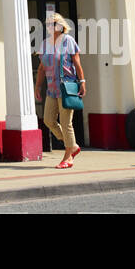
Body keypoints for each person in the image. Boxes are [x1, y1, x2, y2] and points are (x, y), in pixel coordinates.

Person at [34, 12, 85, 168]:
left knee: (66, 122)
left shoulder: (68, 41)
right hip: (51, 89)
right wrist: (37, 86)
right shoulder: (45, 44)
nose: (50, 26)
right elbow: (41, 68)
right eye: (48, 24)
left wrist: (82, 82)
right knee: (48, 120)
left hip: (66, 87)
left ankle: (68, 157)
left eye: (53, 23)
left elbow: (77, 63)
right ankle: (72, 145)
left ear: (61, 26)